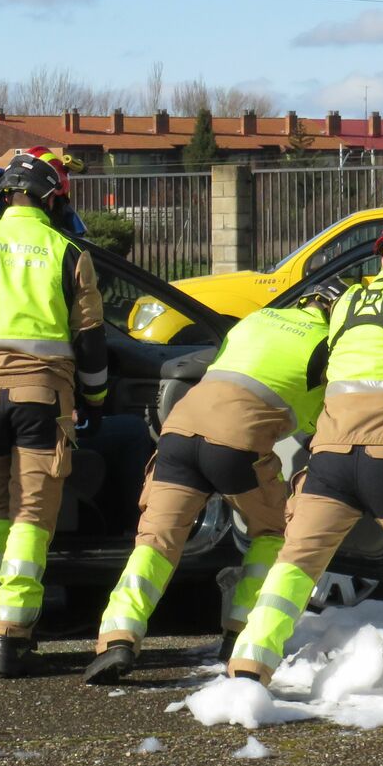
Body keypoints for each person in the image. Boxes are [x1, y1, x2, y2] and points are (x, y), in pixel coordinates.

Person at [228, 211, 383, 685]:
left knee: (295, 565)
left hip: (328, 462)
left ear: (382, 254)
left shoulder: (345, 300)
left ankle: (249, 661)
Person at [84, 282, 338, 685]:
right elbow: (317, 417)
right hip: (236, 445)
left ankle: (117, 637)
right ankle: (240, 632)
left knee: (157, 539)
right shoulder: (327, 342)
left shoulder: (257, 319)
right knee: (274, 531)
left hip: (179, 433)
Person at [0, 149, 108, 677]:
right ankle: (12, 634)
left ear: (4, 195)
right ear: (52, 199)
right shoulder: (67, 251)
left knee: (2, 511)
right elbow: (92, 339)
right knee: (33, 513)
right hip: (42, 401)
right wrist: (95, 400)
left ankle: (2, 613)